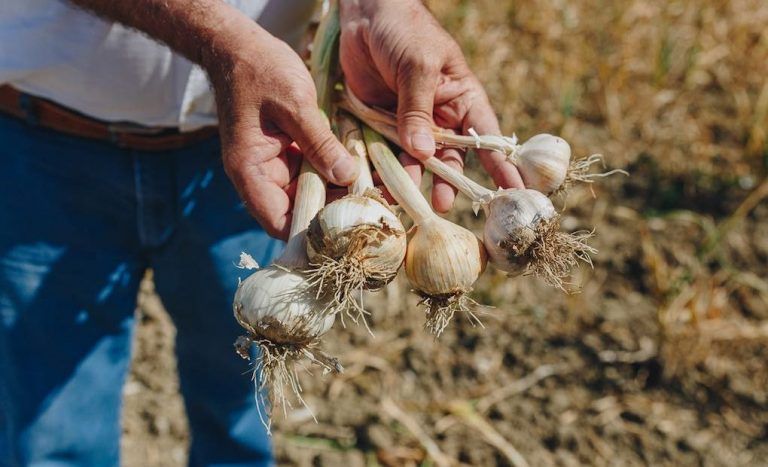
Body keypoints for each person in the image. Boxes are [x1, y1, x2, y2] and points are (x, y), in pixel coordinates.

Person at [0, 0, 524, 465]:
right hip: (45, 148)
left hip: (266, 142)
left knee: (238, 401)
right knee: (49, 428)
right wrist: (224, 43)